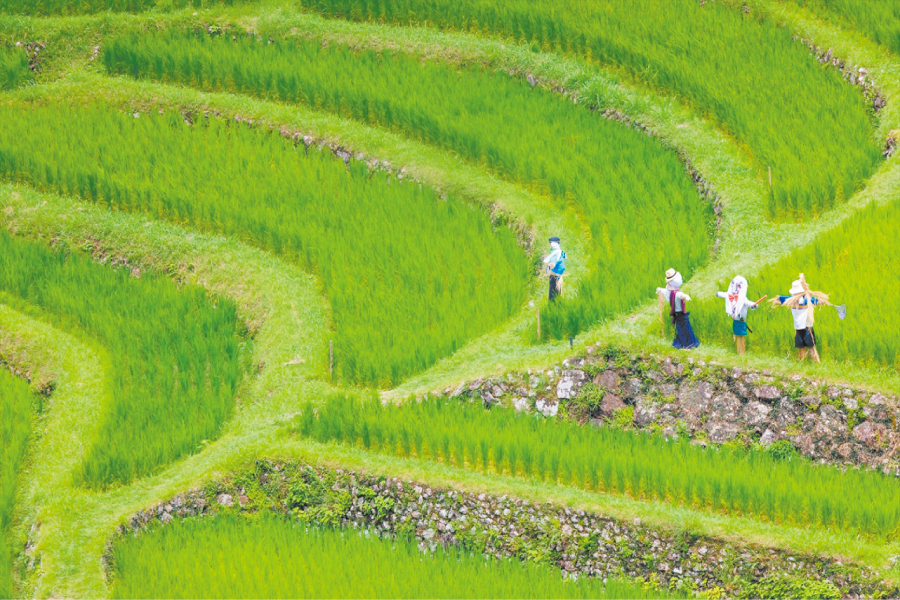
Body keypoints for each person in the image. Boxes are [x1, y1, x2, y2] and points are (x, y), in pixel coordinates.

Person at [769, 273, 827, 362]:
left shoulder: (801, 299)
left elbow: (778, 299)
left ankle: (814, 362)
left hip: (807, 326)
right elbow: (820, 301)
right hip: (799, 327)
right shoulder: (794, 299)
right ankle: (803, 362)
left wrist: (776, 300)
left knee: (809, 346)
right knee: (803, 346)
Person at [715, 276, 765, 355]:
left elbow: (749, 303)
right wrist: (718, 294)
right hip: (736, 320)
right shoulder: (731, 296)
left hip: (741, 321)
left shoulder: (742, 298)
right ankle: (740, 352)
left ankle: (741, 352)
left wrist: (754, 305)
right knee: (738, 335)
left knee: (740, 336)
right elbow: (725, 294)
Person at [656, 268, 699, 349]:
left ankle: (681, 343)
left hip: (677, 314)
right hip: (680, 314)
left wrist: (659, 289)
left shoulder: (670, 291)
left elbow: (665, 291)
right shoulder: (674, 292)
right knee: (684, 329)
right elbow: (680, 295)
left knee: (680, 328)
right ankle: (687, 344)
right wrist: (685, 296)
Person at [543, 237, 566, 302]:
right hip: (557, 276)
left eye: (550, 244)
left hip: (555, 277)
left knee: (553, 295)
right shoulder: (559, 252)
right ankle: (556, 306)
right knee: (557, 293)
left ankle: (553, 307)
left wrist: (548, 268)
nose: (549, 246)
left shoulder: (556, 254)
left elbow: (553, 264)